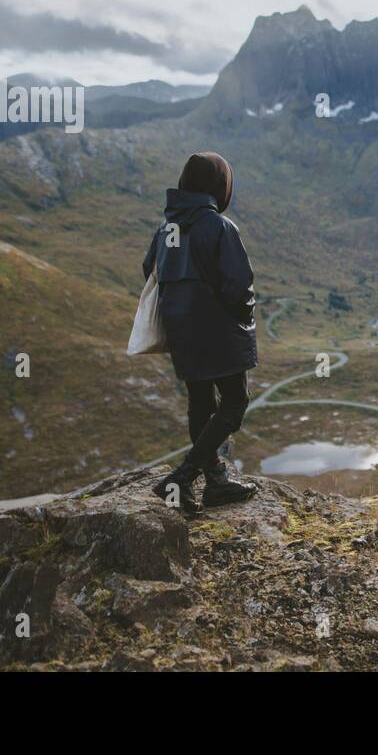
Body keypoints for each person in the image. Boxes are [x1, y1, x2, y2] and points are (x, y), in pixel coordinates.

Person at [143, 151, 259, 512]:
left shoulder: (167, 229)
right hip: (219, 330)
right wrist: (242, 316)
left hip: (181, 330)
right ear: (218, 186)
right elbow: (239, 285)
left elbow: (150, 270)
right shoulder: (219, 227)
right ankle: (185, 475)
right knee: (235, 403)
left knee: (202, 404)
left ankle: (215, 482)